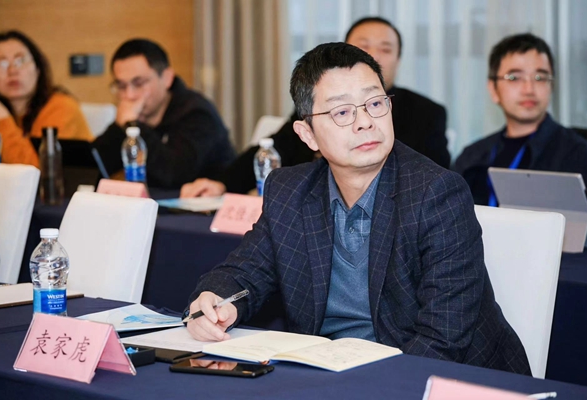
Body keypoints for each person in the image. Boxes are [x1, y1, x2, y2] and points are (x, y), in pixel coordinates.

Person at [186, 42, 530, 375]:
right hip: (331, 371)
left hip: (443, 379)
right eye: (342, 112)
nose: (365, 122)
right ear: (307, 135)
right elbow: (244, 273)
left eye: (375, 103)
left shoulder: (437, 193)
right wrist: (215, 300)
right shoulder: (290, 191)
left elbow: (443, 338)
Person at [180, 16, 449, 198]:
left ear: (399, 60)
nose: (373, 56)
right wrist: (223, 183)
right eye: (363, 46)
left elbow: (433, 176)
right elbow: (275, 147)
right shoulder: (318, 106)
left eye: (386, 49)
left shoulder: (426, 113)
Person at [454, 33, 587, 206]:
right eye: (514, 77)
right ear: (493, 89)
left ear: (551, 86)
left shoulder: (578, 153)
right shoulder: (471, 157)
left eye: (540, 77)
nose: (529, 89)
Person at [92, 39, 235, 189]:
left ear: (167, 78)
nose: (129, 95)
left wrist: (134, 125)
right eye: (121, 86)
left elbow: (174, 175)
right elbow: (93, 169)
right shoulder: (132, 116)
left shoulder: (198, 113)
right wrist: (123, 127)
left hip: (204, 202)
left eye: (139, 84)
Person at [0, 30, 93, 167]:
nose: (12, 71)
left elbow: (37, 171)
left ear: (38, 69)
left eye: (20, 61)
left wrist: (1, 116)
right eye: (2, 63)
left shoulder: (61, 107)